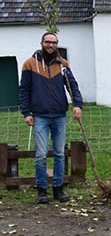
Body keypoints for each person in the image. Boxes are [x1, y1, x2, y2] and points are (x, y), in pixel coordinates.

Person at [19, 32, 83, 204]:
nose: (50, 45)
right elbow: (24, 90)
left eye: (54, 43)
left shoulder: (62, 64)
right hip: (40, 115)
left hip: (59, 115)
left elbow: (73, 86)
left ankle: (58, 188)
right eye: (48, 42)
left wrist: (78, 104)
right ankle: (41, 190)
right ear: (42, 43)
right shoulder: (30, 64)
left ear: (57, 44)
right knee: (40, 155)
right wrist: (26, 113)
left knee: (60, 153)